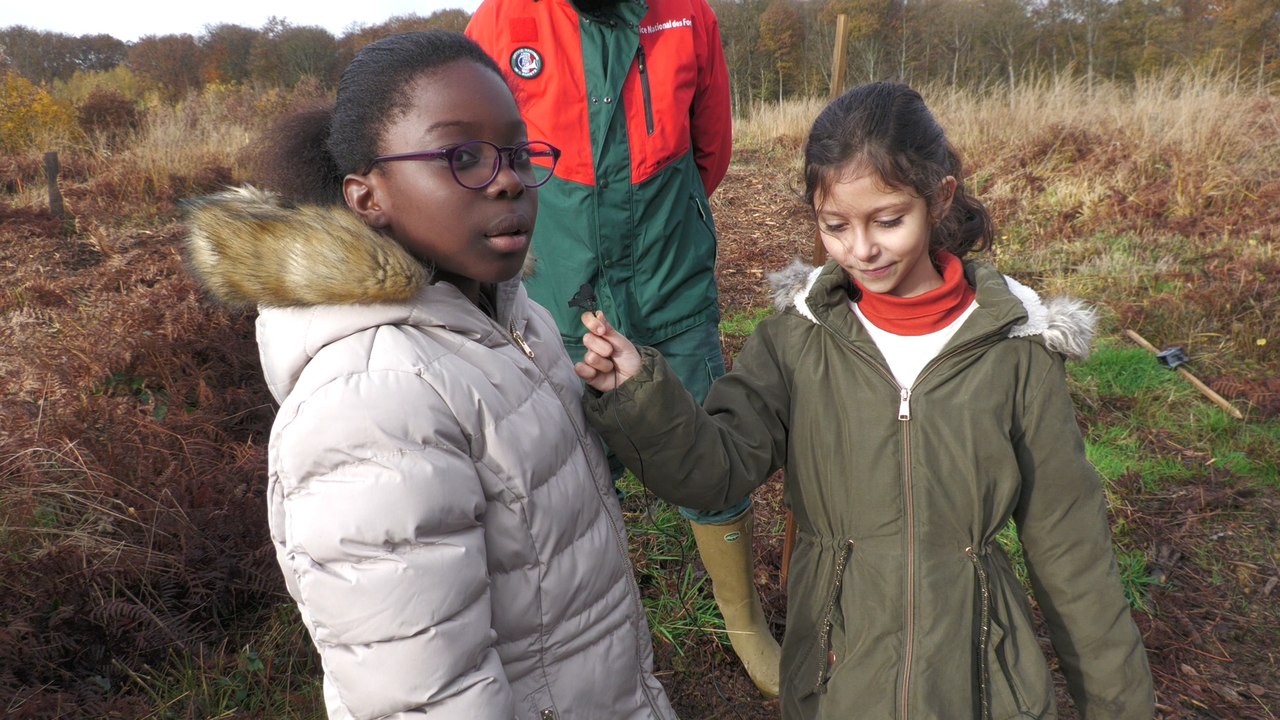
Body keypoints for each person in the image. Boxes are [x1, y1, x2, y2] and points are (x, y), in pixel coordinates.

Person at [573, 81, 1155, 718]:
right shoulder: (796, 342)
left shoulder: (1016, 352)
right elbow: (717, 471)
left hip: (977, 683)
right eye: (835, 226)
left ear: (939, 200)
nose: (862, 249)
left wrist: (1118, 704)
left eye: (888, 220)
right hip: (835, 676)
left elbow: (1071, 549)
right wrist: (642, 396)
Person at [181, 31, 677, 720]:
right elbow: (425, 697)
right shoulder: (370, 405)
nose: (507, 178)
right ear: (366, 198)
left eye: (517, 152)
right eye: (461, 156)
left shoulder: (506, 313)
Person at [465, 0, 782, 697]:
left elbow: (711, 151)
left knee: (703, 435)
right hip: (557, 290)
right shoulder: (502, 21)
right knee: (564, 468)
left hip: (672, 280)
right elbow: (483, 158)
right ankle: (588, 627)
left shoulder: (688, 16)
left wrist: (660, 233)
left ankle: (746, 624)